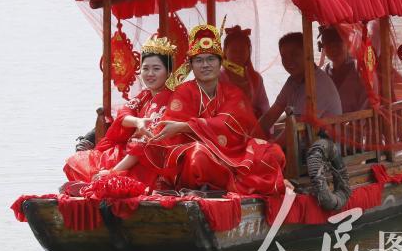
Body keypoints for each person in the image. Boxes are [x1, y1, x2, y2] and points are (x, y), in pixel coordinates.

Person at [103, 24, 286, 195]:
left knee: (273, 152)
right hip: (200, 156)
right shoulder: (183, 92)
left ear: (221, 62)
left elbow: (229, 122)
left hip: (233, 152)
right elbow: (165, 128)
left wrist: (186, 126)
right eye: (198, 60)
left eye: (210, 59)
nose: (205, 65)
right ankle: (210, 185)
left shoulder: (233, 92)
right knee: (198, 155)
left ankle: (223, 182)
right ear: (191, 64)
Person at [63, 35, 176, 183]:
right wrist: (137, 122)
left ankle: (106, 180)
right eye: (145, 68)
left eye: (156, 69)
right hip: (128, 153)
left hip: (144, 163)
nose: (150, 74)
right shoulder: (144, 96)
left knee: (98, 176)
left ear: (168, 72)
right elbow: (124, 115)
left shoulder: (167, 100)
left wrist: (113, 172)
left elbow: (143, 145)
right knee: (74, 162)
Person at [259, 32, 343, 134]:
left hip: (323, 143)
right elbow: (272, 114)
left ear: (308, 54)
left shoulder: (317, 83)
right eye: (284, 57)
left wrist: (268, 143)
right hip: (302, 139)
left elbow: (296, 130)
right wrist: (251, 135)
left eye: (294, 55)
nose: (288, 61)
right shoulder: (292, 80)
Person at [221, 25, 270, 118]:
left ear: (249, 52)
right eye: (233, 51)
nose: (238, 55)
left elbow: (264, 107)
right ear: (224, 51)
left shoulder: (256, 78)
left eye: (242, 50)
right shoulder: (216, 78)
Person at [320, 26, 370, 112]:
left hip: (357, 119)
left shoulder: (360, 71)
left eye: (338, 45)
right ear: (323, 48)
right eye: (329, 45)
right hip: (329, 119)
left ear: (347, 44)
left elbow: (366, 105)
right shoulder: (323, 73)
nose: (333, 49)